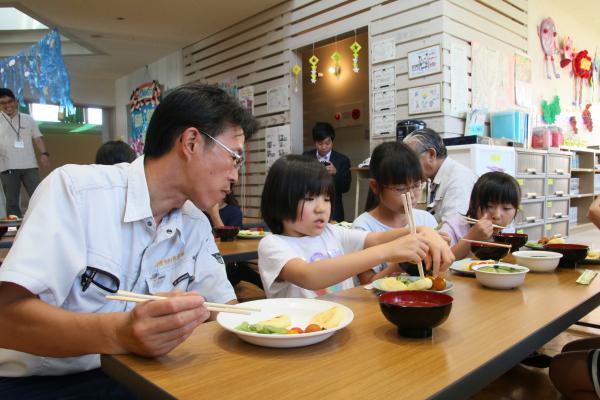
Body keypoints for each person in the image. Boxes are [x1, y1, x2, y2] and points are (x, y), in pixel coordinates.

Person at [0, 83, 257, 398]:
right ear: (191, 142)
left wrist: (273, 327)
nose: (235, 175)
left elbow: (221, 307)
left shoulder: (194, 223)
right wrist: (120, 334)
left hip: (147, 374)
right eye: (235, 157)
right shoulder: (76, 191)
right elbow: (7, 317)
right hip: (44, 382)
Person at [257, 155, 454, 299]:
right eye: (309, 199)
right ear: (279, 200)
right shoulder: (273, 245)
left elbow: (376, 239)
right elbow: (308, 276)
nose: (321, 208)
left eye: (326, 199)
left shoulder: (331, 232)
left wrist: (424, 231)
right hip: (299, 335)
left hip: (343, 326)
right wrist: (388, 252)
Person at [352, 142, 438, 283]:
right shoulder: (364, 228)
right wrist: (399, 266)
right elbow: (366, 284)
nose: (411, 195)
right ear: (375, 186)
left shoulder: (426, 220)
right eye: (400, 189)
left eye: (416, 186)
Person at [440, 172, 520, 260]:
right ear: (474, 204)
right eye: (489, 206)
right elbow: (441, 262)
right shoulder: (454, 227)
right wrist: (471, 237)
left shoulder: (508, 231)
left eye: (506, 208)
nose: (497, 215)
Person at [404, 128, 477, 223]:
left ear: (431, 155)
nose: (407, 167)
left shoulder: (458, 180)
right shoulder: (436, 178)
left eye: (410, 160)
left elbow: (452, 230)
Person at [0, 88, 50, 218]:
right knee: (12, 202)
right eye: (3, 103)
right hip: (7, 166)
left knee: (37, 196)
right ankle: (14, 231)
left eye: (10, 101)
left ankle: (41, 221)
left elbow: (38, 138)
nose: (7, 105)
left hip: (30, 165)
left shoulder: (28, 119)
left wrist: (44, 153)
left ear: (16, 102)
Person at [205, 188, 263, 289]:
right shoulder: (196, 214)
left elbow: (230, 242)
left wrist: (215, 216)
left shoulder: (233, 212)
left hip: (228, 265)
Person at [302, 122, 351, 222]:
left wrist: (336, 173)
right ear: (314, 142)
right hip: (310, 206)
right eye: (320, 143)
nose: (324, 147)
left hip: (334, 209)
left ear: (332, 141)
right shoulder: (306, 157)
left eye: (327, 143)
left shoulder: (342, 160)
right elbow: (299, 181)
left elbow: (346, 188)